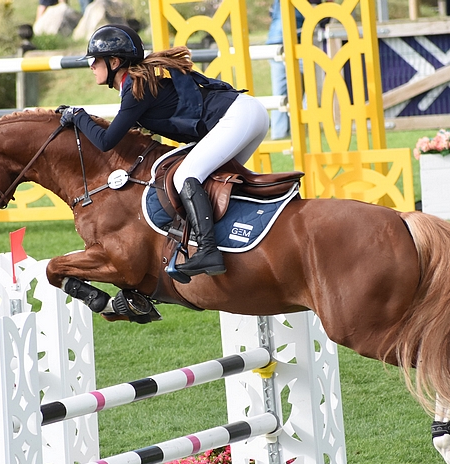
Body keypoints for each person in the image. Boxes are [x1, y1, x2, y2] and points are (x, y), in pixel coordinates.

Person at [58, 24, 270, 278]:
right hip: (245, 115)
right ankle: (243, 244)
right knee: (212, 182)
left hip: (237, 117)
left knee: (185, 176)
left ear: (114, 61)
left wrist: (77, 115)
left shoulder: (136, 87)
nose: (91, 66)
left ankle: (208, 250)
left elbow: (106, 142)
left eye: (94, 60)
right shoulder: (136, 86)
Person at [266, 0, 304, 140]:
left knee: (280, 93)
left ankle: (279, 133)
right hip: (294, 38)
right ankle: (301, 130)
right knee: (304, 91)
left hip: (274, 38)